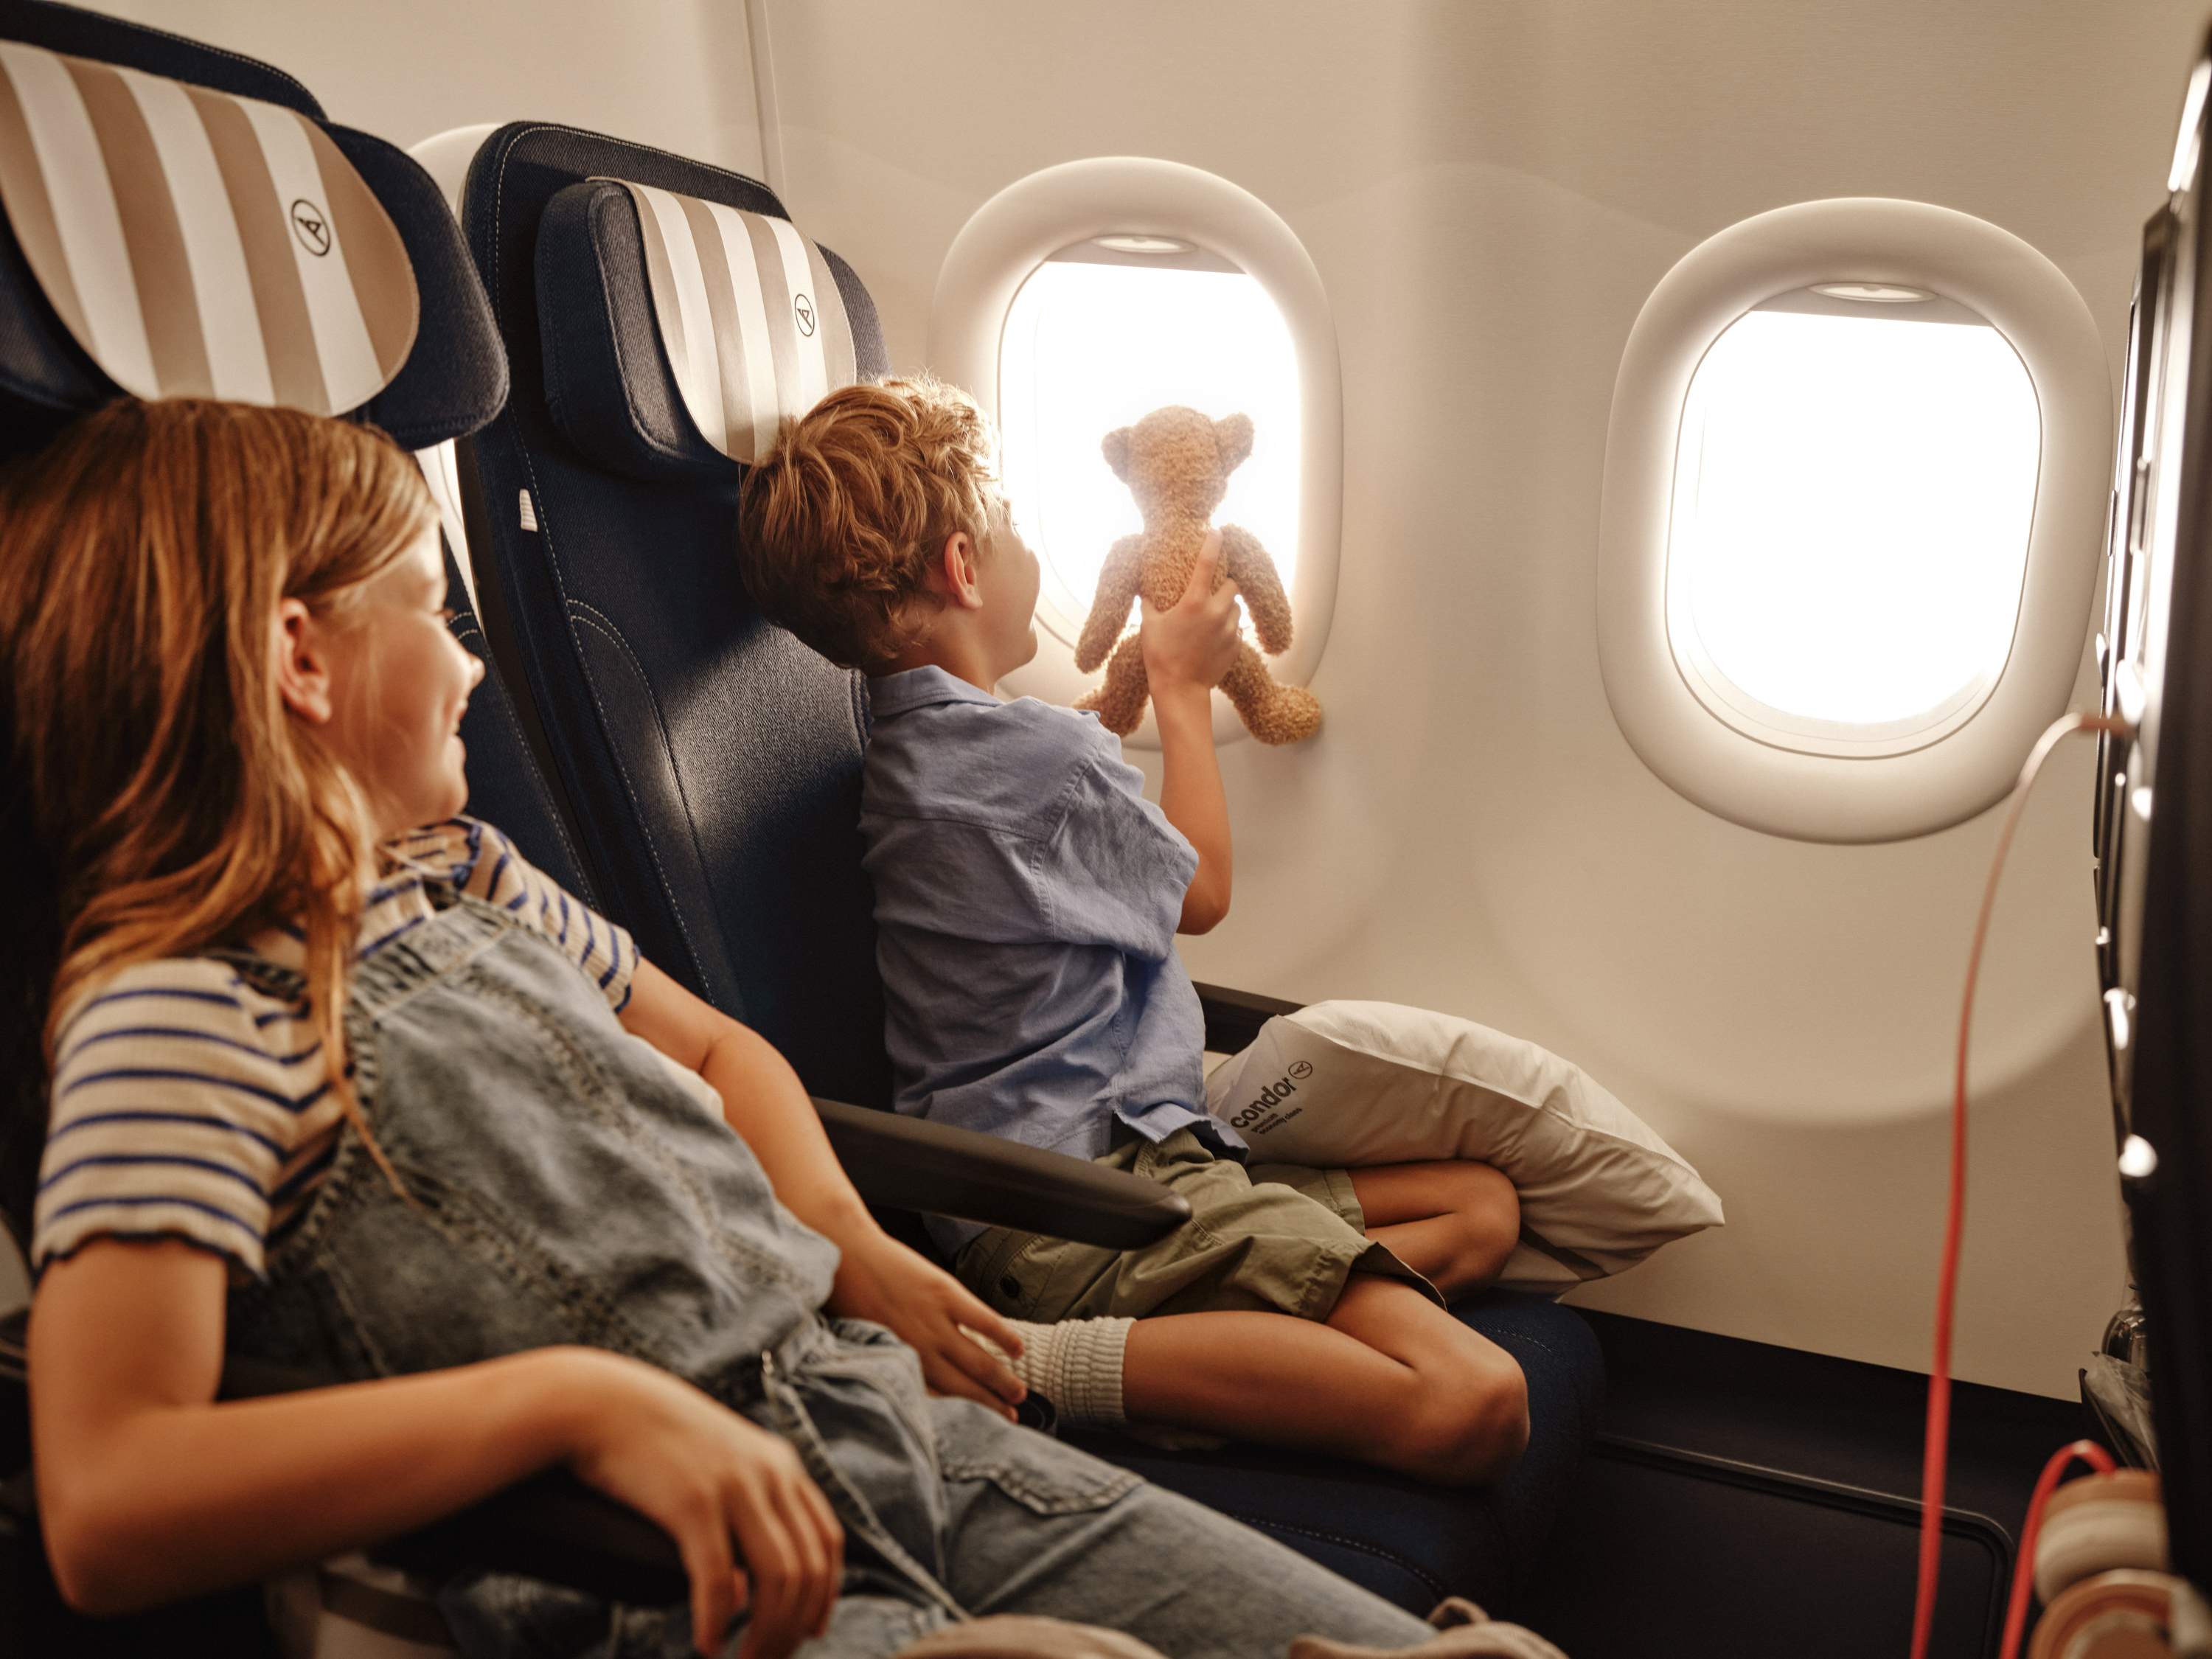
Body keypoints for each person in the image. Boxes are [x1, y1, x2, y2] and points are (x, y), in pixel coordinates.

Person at [1, 398, 1474, 1659]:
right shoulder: (178, 1020)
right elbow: (108, 1496)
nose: (470, 666)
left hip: (883, 1430)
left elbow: (720, 1054)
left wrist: (853, 1246)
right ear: (302, 660)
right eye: (433, 617)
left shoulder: (466, 873)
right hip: (671, 1571)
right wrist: (572, 1408)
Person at [736, 379, 1528, 1481]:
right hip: (1084, 1203)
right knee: (1477, 1400)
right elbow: (1202, 890)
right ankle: (1043, 1365)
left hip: (1083, 1179)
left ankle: (1209, 1356)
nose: (1028, 549)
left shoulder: (911, 751)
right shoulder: (1038, 759)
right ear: (963, 566)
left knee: (1480, 1209)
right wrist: (1178, 684)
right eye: (1012, 526)